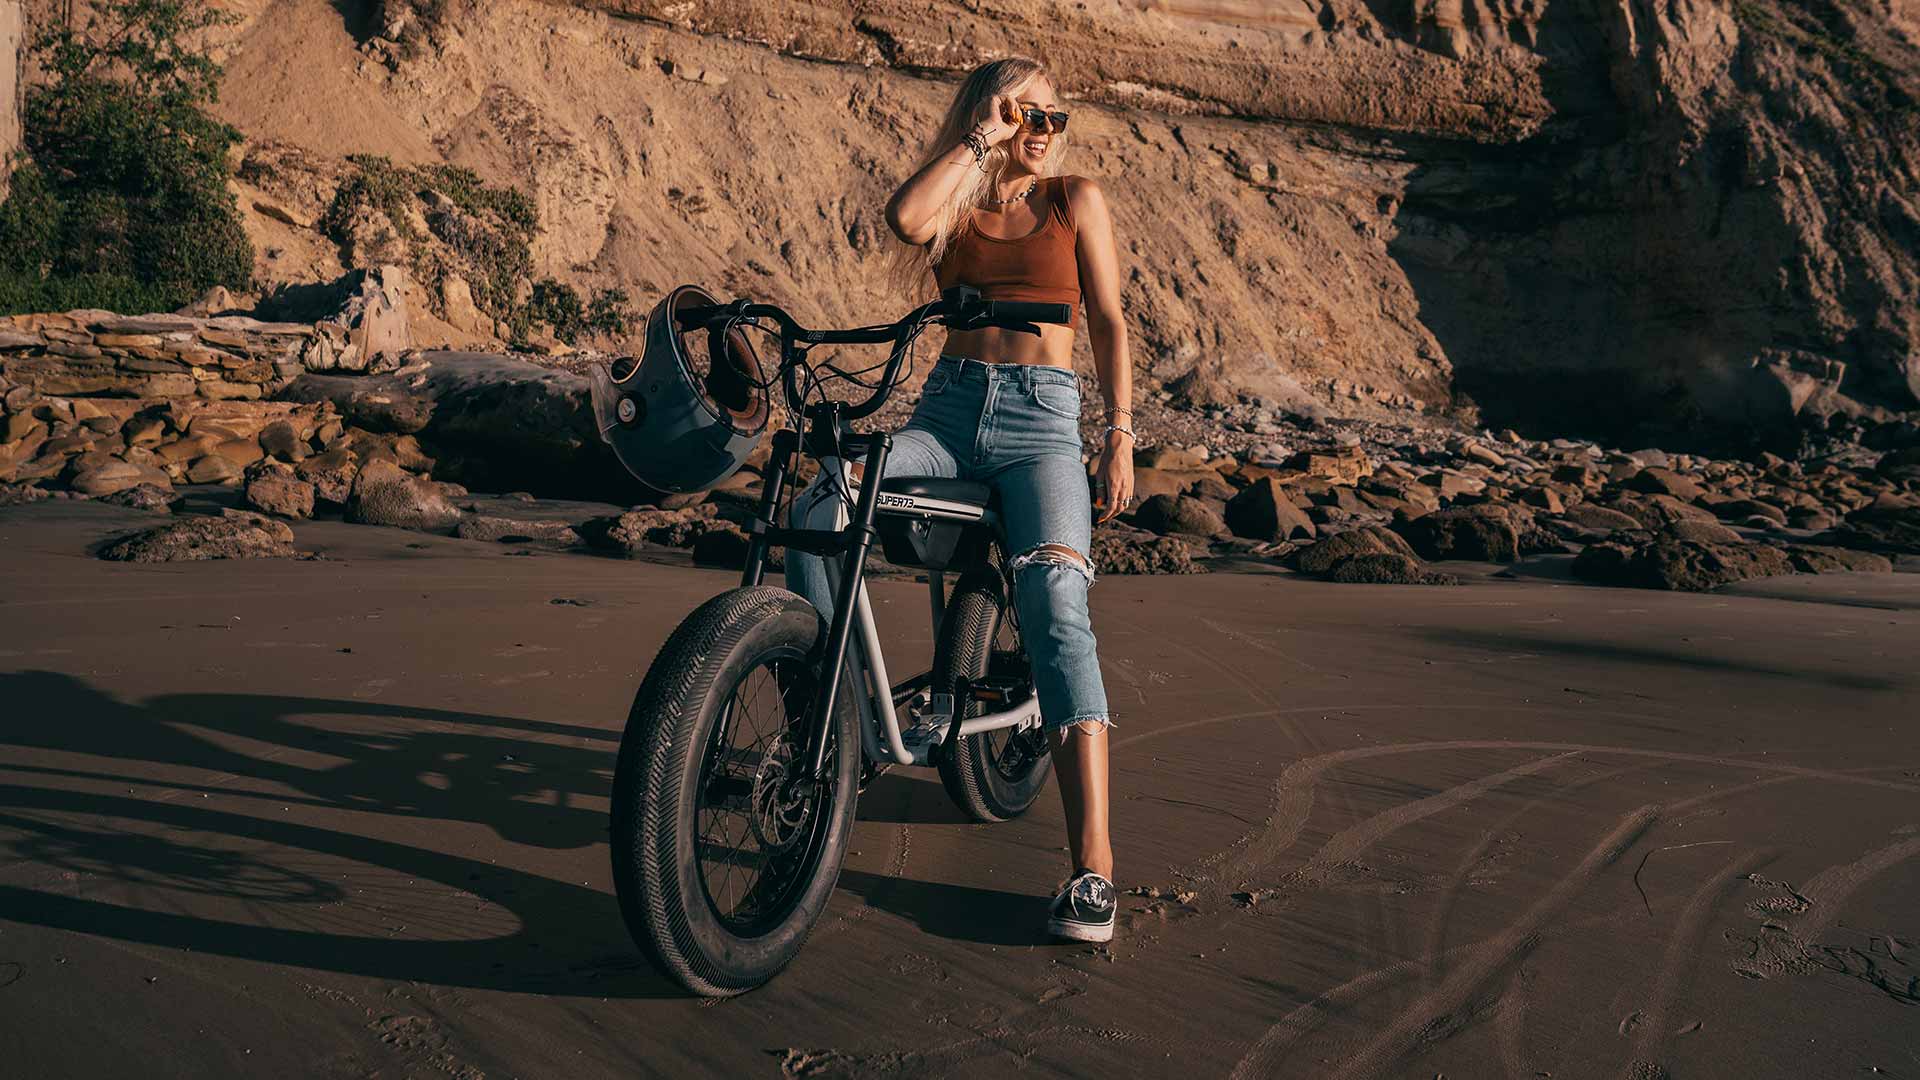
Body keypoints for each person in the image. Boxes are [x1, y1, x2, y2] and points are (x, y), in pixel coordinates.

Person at [785, 57, 1134, 943]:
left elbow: (1109, 321)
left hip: (1045, 424)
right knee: (824, 501)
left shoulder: (1075, 199)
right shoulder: (956, 207)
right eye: (1027, 113)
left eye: (1054, 116)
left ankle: (1092, 871)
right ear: (990, 113)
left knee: (1057, 599)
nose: (1042, 130)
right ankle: (842, 730)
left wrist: (1120, 434)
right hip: (946, 415)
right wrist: (981, 138)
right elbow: (905, 219)